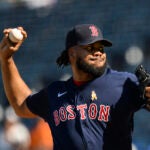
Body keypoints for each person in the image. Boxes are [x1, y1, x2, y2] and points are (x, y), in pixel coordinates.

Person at [0, 24, 150, 150]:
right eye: (91, 48)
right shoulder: (55, 92)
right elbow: (21, 105)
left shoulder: (124, 82)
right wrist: (6, 60)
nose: (98, 53)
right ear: (72, 53)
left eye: (101, 48)